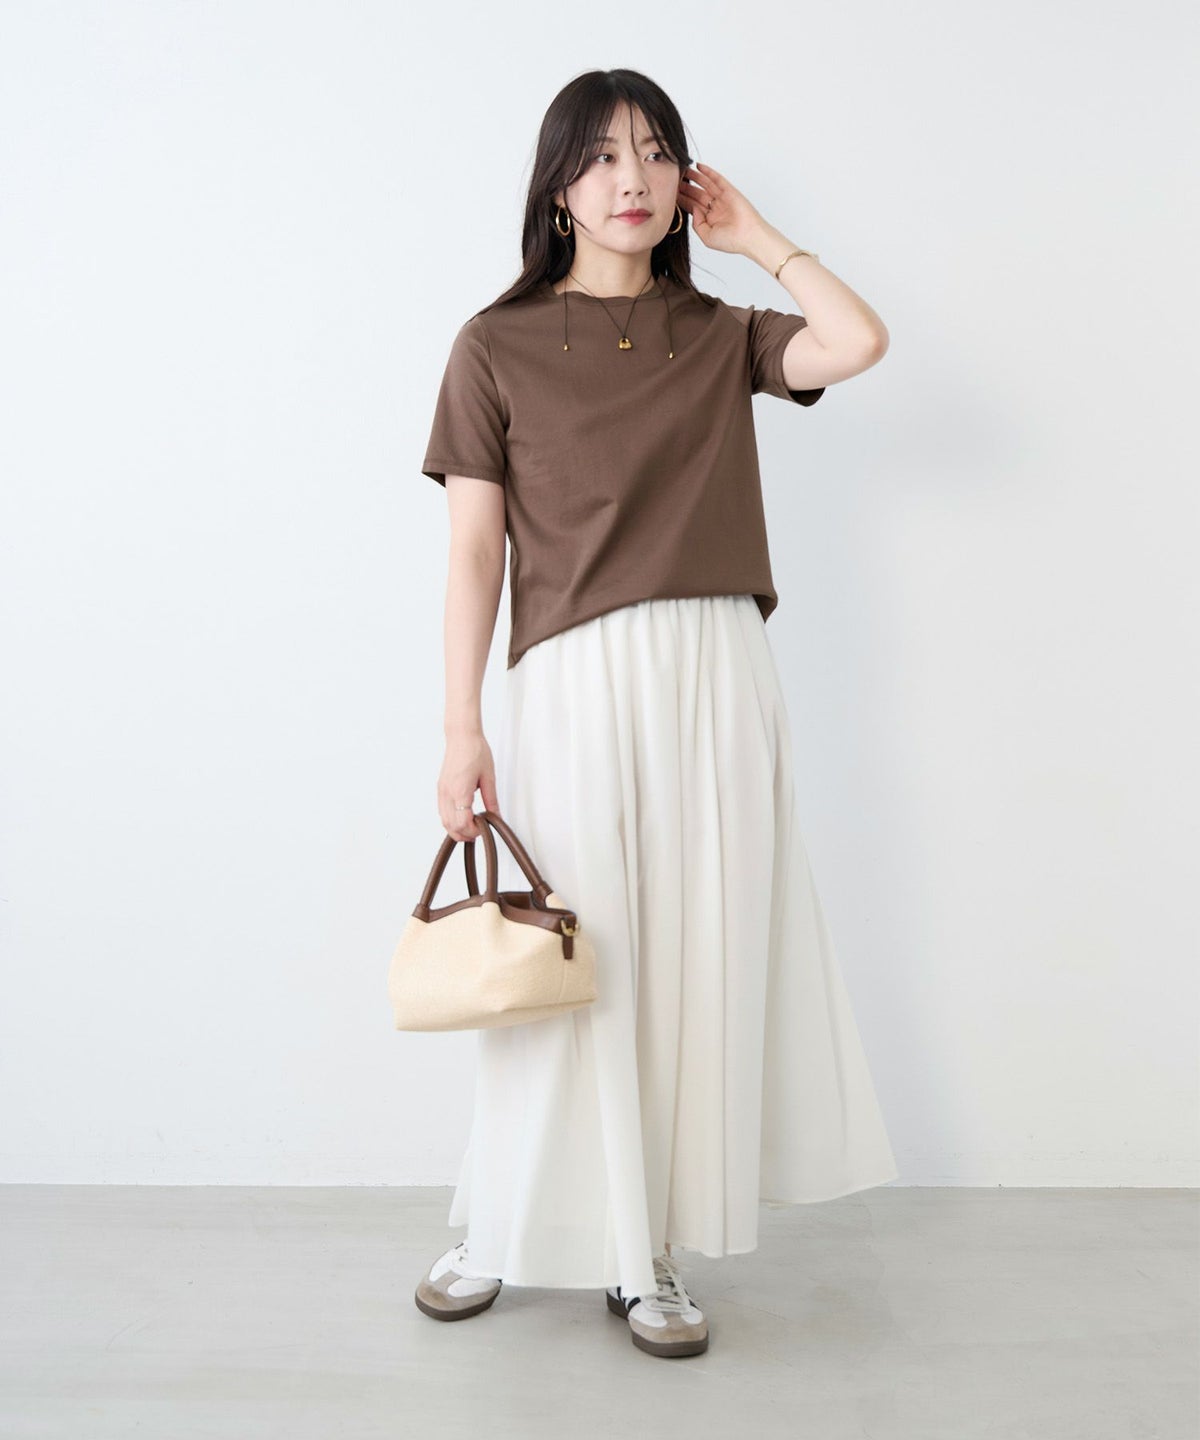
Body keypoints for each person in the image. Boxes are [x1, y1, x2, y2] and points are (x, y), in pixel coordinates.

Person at [411, 68, 899, 1360]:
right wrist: (461, 727)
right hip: (573, 677)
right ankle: (501, 1222)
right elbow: (474, 554)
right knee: (572, 960)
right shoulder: (495, 346)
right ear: (557, 189)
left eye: (655, 152)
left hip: (716, 668)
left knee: (689, 961)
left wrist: (760, 238)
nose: (631, 178)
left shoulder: (718, 332)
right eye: (601, 156)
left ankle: (649, 1250)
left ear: (684, 181)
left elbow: (857, 342)